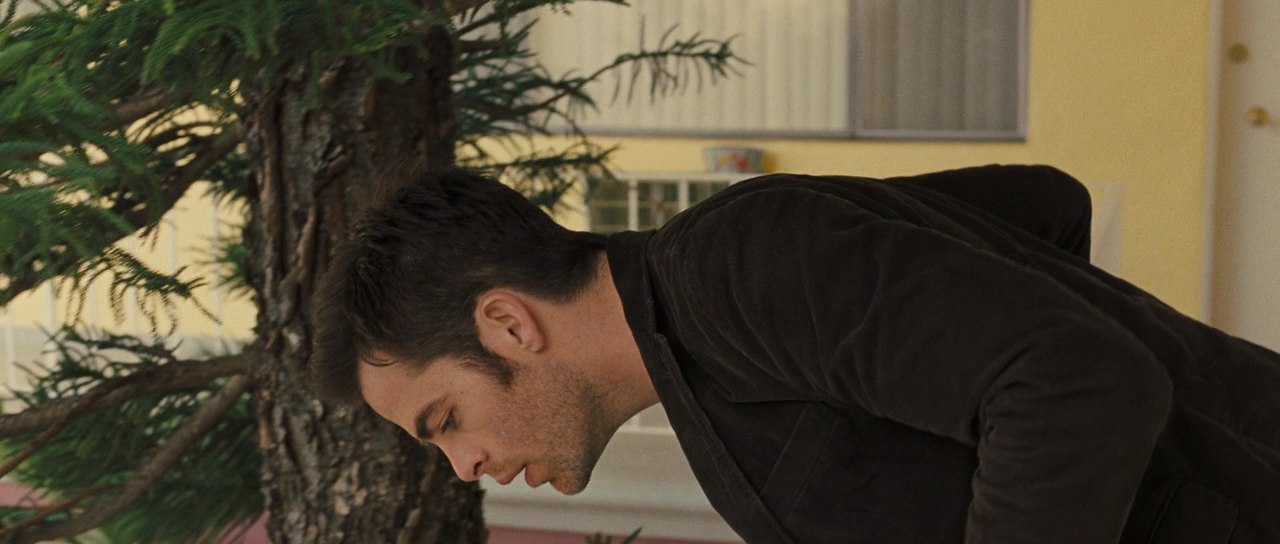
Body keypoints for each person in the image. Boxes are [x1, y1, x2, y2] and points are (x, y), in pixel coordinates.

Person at [309, 164, 1280, 543]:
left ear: (508, 324)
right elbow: (1045, 207)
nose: (464, 464)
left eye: (446, 419)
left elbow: (1073, 380)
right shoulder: (699, 344)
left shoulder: (733, 267)